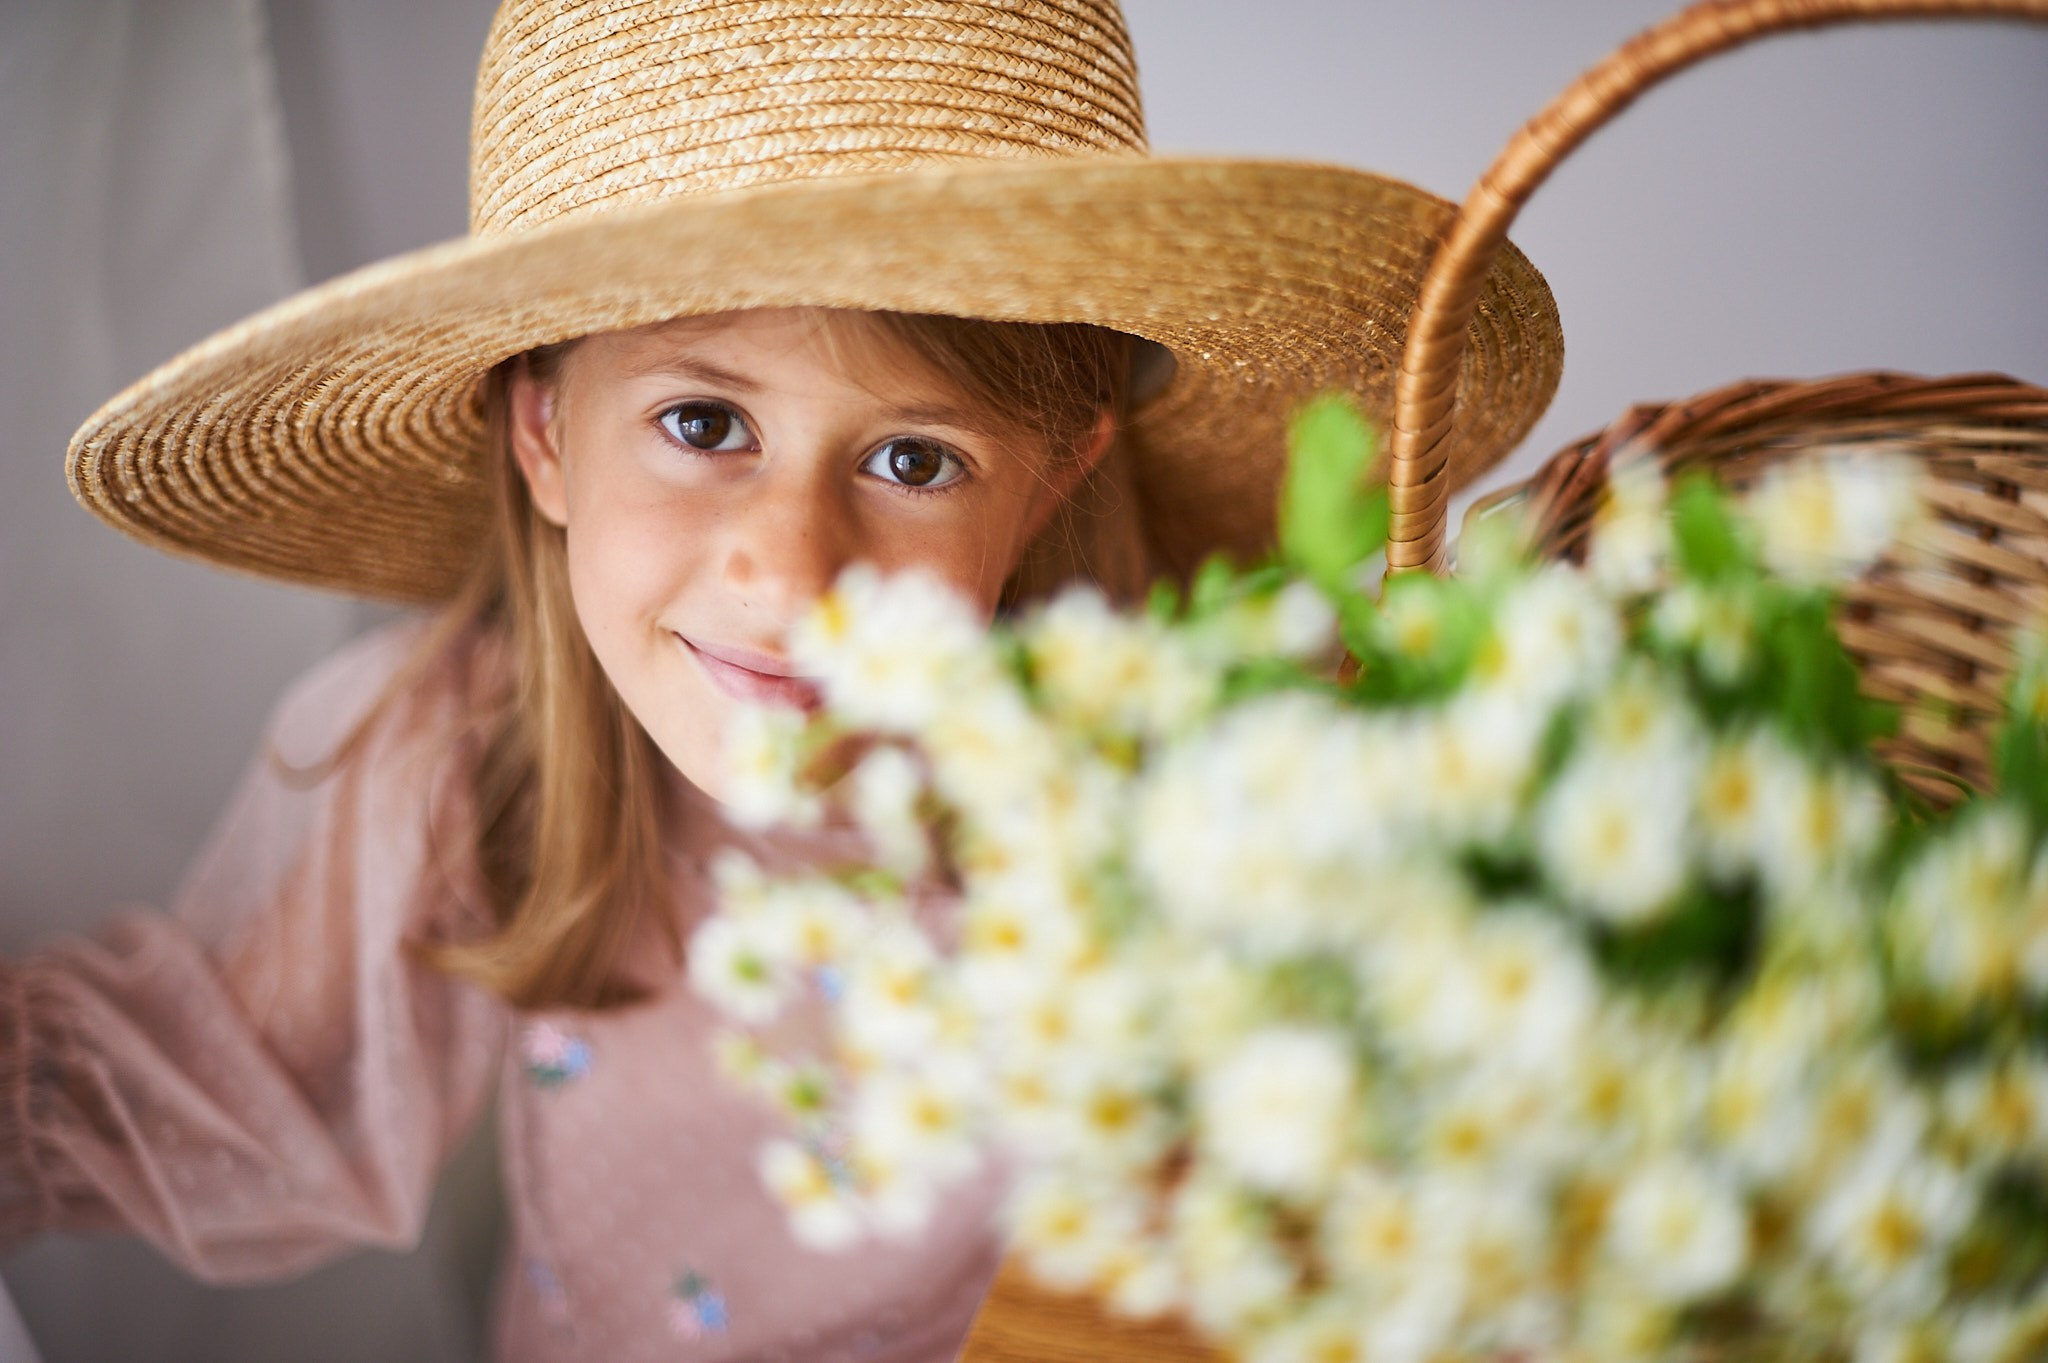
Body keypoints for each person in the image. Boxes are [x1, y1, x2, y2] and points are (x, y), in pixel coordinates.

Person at [4, 1, 1561, 1359]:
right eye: (703, 423)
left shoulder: (1188, 762)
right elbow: (199, 1077)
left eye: (911, 458)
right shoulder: (484, 754)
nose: (794, 573)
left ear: (1047, 480)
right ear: (544, 434)